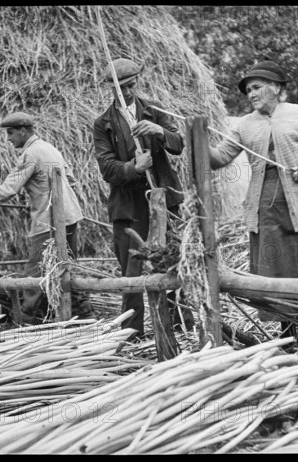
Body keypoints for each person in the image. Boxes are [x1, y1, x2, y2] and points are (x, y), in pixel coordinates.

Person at [208, 60, 298, 341]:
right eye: (248, 90)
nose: (251, 94)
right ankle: (289, 333)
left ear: (276, 89)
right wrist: (189, 140)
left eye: (257, 87)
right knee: (278, 268)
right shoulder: (245, 125)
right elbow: (219, 158)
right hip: (266, 208)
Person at [0, 111, 94, 323]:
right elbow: (71, 180)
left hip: (48, 221)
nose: (8, 139)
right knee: (66, 267)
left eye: (11, 133)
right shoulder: (50, 148)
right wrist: (39, 195)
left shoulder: (30, 155)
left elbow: (8, 190)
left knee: (34, 273)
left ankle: (26, 320)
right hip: (70, 216)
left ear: (23, 131)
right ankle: (85, 315)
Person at [92, 58, 193, 338]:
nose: (126, 92)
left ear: (138, 82)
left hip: (163, 199)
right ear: (110, 89)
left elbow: (178, 144)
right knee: (131, 271)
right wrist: (133, 168)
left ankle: (180, 325)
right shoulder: (103, 124)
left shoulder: (154, 110)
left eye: (131, 85)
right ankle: (132, 333)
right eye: (119, 88)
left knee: (171, 262)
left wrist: (159, 131)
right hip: (129, 206)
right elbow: (107, 167)